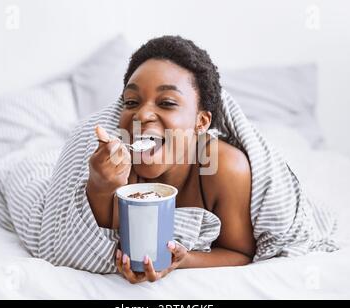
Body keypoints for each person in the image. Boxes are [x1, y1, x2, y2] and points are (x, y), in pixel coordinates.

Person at [86, 35, 256, 284]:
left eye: (166, 102)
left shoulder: (225, 168)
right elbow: (97, 240)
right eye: (131, 102)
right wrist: (101, 185)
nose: (142, 114)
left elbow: (240, 253)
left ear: (201, 122)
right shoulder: (119, 167)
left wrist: (184, 261)